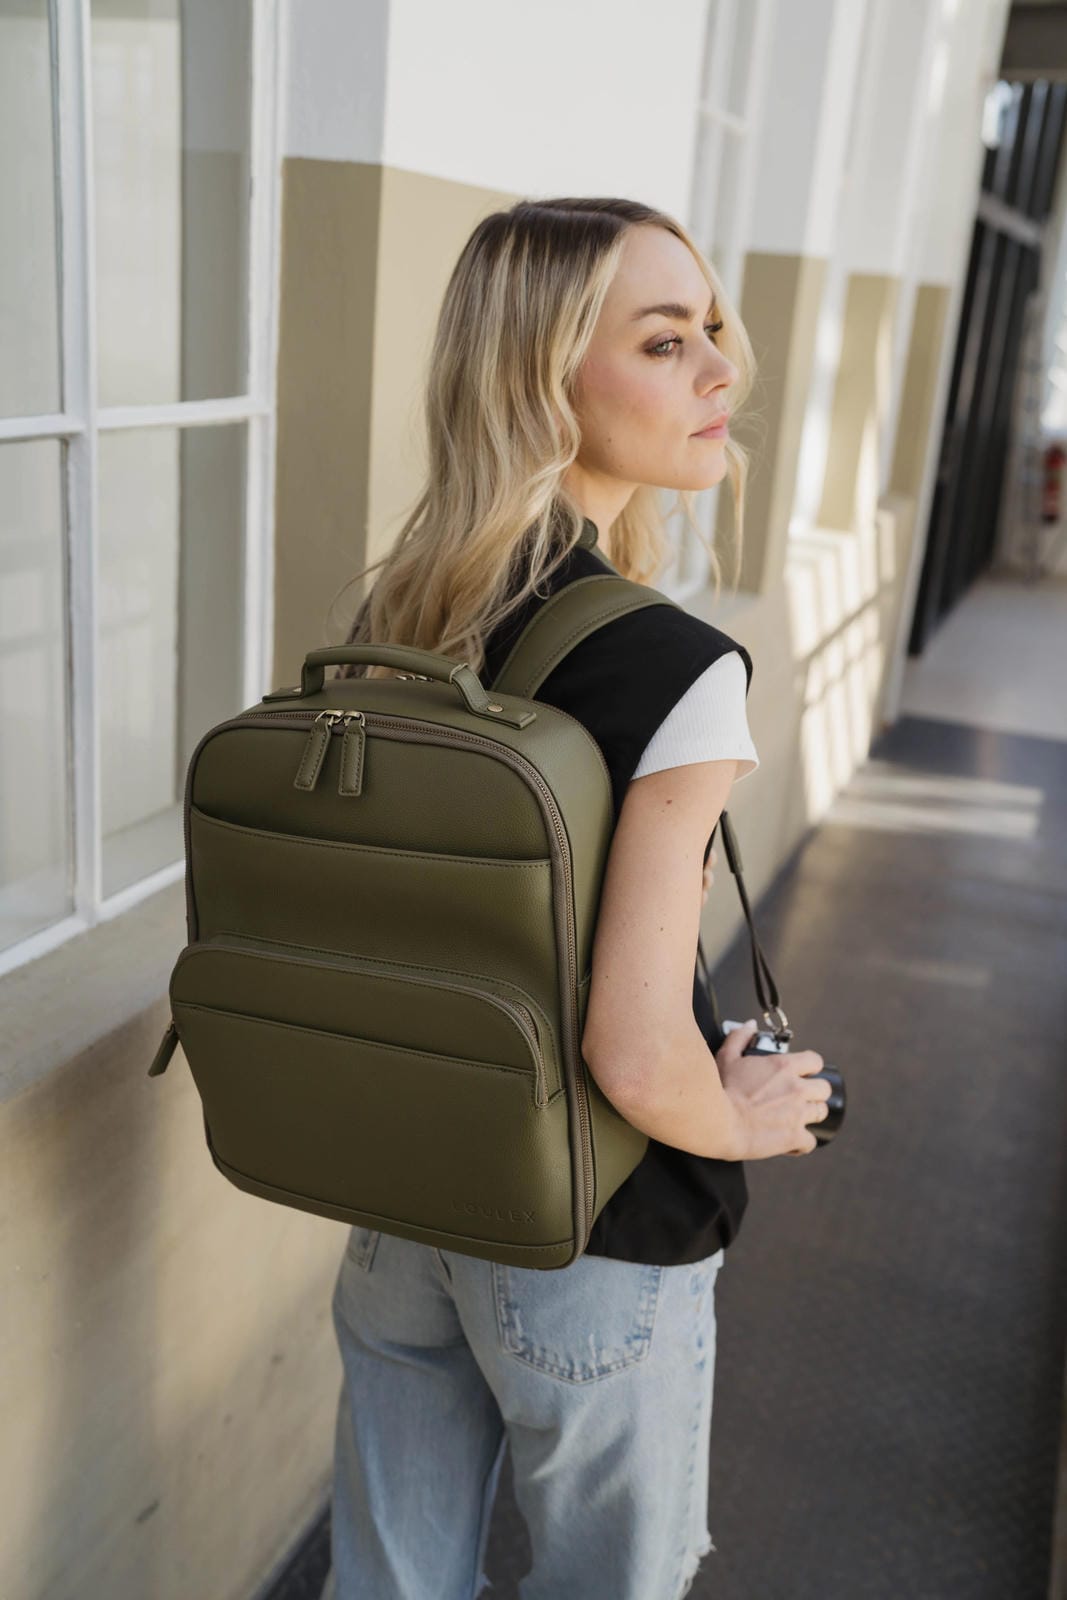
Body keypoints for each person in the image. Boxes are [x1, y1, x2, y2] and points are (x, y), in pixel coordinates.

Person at [318, 197, 831, 1600]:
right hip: (586, 1251)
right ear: (544, 381)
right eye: (666, 343)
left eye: (711, 331)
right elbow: (631, 1046)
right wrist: (746, 1116)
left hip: (405, 1210)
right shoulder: (677, 667)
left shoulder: (403, 617)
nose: (722, 372)